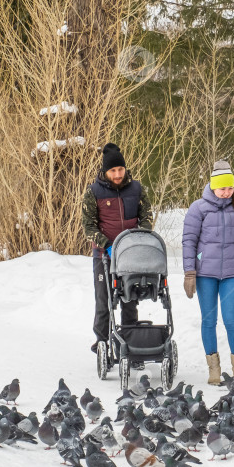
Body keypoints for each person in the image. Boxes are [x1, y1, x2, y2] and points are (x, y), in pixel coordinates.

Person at [182, 160, 234, 386]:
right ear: (212, 185)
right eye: (222, 188)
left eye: (230, 188)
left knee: (231, 319)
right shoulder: (198, 208)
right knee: (208, 320)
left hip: (231, 274)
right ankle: (214, 369)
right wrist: (189, 272)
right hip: (205, 274)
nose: (227, 193)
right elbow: (189, 241)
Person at [82, 143, 153, 356]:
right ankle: (102, 341)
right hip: (104, 255)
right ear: (105, 171)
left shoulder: (137, 189)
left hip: (131, 256)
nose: (117, 174)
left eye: (120, 169)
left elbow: (147, 217)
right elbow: (88, 226)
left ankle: (130, 343)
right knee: (104, 301)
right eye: (113, 170)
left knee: (130, 300)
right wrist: (107, 245)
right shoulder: (93, 192)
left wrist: (140, 239)